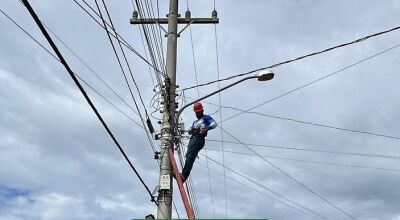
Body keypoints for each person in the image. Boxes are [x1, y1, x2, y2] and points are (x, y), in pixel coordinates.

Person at [180, 102, 217, 182]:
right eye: (196, 112)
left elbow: (214, 124)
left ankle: (183, 176)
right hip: (193, 138)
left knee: (190, 156)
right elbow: (190, 132)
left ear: (202, 110)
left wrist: (206, 128)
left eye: (199, 112)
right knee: (189, 155)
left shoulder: (206, 118)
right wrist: (191, 129)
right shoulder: (195, 122)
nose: (197, 113)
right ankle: (183, 174)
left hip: (199, 138)